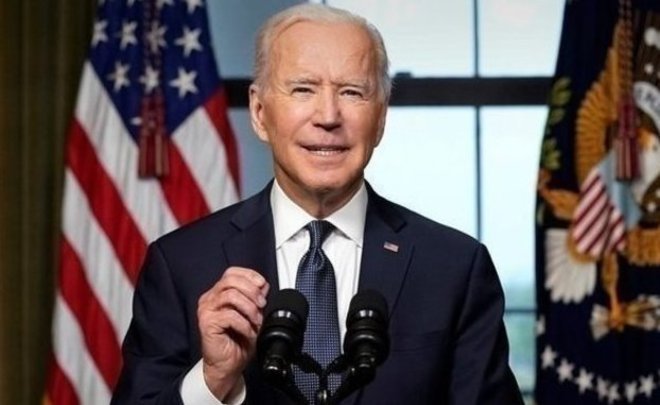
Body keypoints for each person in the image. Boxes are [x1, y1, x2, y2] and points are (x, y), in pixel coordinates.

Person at [111, 4, 524, 404]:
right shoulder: (181, 265)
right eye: (303, 89)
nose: (328, 116)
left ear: (381, 118)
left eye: (352, 92)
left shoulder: (454, 268)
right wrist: (213, 379)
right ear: (259, 112)